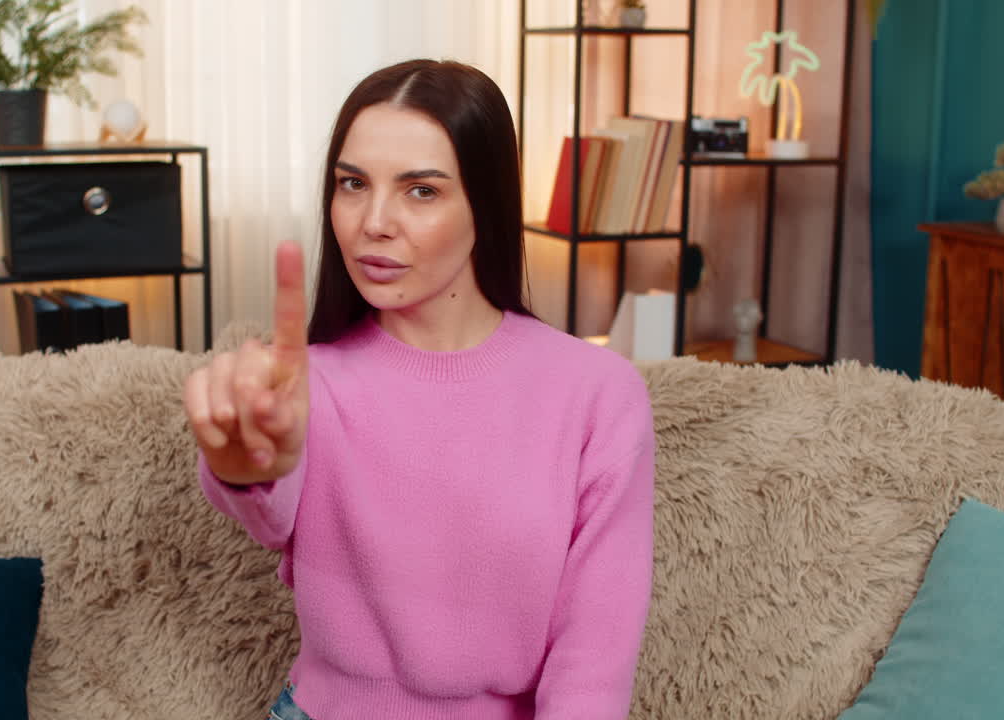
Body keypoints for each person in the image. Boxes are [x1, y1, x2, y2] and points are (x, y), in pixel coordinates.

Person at [183, 58, 655, 720]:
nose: (373, 221)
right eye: (352, 184)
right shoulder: (302, 385)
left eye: (421, 191)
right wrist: (240, 467)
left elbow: (595, 660)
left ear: (484, 207)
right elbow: (267, 500)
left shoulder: (598, 393)